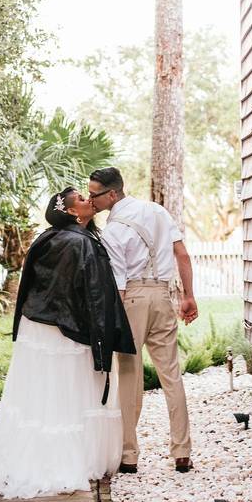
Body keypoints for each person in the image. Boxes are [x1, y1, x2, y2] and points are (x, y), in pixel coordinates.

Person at [0, 187, 135, 498]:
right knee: (70, 392)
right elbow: (90, 294)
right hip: (67, 328)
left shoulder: (46, 238)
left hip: (37, 325)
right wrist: (100, 334)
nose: (88, 200)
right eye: (81, 199)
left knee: (45, 393)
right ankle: (67, 461)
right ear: (70, 212)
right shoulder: (80, 243)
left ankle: (38, 456)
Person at [87, 167, 199, 474]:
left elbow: (119, 284)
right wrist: (188, 296)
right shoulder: (157, 211)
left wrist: (113, 322)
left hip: (133, 298)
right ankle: (182, 451)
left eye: (94, 194)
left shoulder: (112, 231)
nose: (90, 200)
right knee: (172, 375)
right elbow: (182, 254)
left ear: (112, 194)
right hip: (164, 296)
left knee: (129, 376)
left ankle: (129, 455)